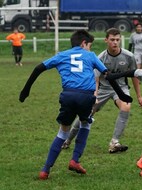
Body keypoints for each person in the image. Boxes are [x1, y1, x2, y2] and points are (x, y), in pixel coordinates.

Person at [18, 30, 132, 180]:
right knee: (86, 124)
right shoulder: (90, 55)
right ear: (84, 43)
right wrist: (122, 94)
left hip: (68, 95)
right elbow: (108, 75)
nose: (90, 49)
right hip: (86, 96)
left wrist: (25, 91)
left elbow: (38, 68)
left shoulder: (62, 55)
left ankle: (45, 170)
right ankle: (75, 160)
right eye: (89, 45)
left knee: (62, 132)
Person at [62, 28, 142, 153]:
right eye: (112, 40)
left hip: (120, 89)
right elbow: (96, 78)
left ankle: (114, 142)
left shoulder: (129, 56)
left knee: (126, 107)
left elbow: (134, 76)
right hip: (102, 89)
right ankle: (67, 140)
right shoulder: (100, 57)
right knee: (86, 115)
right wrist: (94, 95)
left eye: (117, 40)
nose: (115, 42)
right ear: (106, 40)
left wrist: (139, 96)